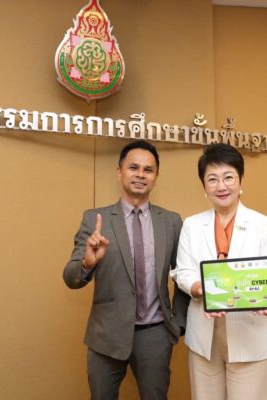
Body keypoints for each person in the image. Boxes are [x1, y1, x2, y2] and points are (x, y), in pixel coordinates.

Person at [63, 140, 189, 400]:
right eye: (133, 168)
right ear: (119, 172)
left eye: (148, 170)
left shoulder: (171, 221)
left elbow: (183, 275)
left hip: (155, 335)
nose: (140, 174)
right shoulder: (94, 219)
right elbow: (70, 277)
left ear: (156, 177)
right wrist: (88, 262)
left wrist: (178, 322)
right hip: (106, 336)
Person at [170, 143, 267, 400]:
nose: (221, 186)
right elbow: (182, 271)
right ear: (204, 186)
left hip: (250, 334)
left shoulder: (261, 224)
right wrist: (198, 288)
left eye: (228, 177)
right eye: (212, 179)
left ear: (240, 181)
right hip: (204, 338)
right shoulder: (192, 225)